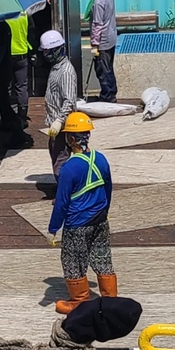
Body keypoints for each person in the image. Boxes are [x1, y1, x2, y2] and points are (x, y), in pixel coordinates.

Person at [47, 112, 117, 314]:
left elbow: (61, 203)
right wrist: (105, 211)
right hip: (100, 220)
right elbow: (108, 188)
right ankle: (110, 300)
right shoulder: (101, 159)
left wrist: (53, 228)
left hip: (77, 224)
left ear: (70, 139)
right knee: (102, 258)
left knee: (72, 261)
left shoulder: (69, 168)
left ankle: (79, 301)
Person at [0, 19, 27, 147]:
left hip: (0, 73)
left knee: (3, 104)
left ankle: (18, 134)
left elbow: (0, 51)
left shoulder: (1, 27)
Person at [41, 29, 78, 180]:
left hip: (63, 127)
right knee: (56, 157)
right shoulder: (56, 67)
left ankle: (65, 194)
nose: (45, 55)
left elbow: (69, 100)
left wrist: (59, 121)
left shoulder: (66, 71)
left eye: (47, 51)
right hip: (55, 125)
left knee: (61, 163)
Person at [80, 0, 118, 103]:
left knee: (103, 71)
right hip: (111, 37)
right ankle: (111, 93)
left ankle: (108, 97)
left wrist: (95, 44)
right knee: (108, 68)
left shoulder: (98, 2)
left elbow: (97, 24)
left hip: (103, 41)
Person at [6, 12, 33, 127]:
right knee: (22, 86)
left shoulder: (4, 14)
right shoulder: (25, 13)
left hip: (7, 54)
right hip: (22, 52)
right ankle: (22, 117)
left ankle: (6, 117)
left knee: (6, 86)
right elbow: (31, 31)